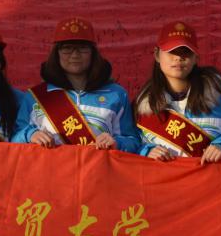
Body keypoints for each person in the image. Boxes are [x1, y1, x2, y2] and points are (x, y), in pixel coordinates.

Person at [12, 17, 140, 153]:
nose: (75, 55)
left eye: (82, 48)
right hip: (51, 166)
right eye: (67, 48)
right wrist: (30, 135)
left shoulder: (116, 94)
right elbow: (13, 140)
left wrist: (117, 142)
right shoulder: (35, 96)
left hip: (98, 166)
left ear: (93, 53)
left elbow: (133, 141)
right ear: (56, 53)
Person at [133, 21, 221, 163]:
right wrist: (146, 150)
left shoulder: (219, 93)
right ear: (157, 55)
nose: (178, 58)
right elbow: (130, 142)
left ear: (196, 57)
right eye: (172, 51)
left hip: (211, 176)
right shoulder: (143, 104)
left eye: (186, 52)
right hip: (163, 177)